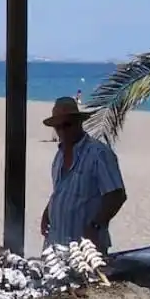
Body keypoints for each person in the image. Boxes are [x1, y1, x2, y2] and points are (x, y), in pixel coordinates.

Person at [40, 97, 127, 254]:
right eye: (58, 127)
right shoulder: (59, 155)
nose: (62, 131)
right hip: (56, 242)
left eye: (67, 125)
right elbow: (61, 190)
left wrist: (95, 225)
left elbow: (116, 195)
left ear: (78, 122)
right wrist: (48, 212)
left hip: (85, 247)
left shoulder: (98, 154)